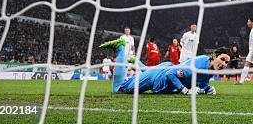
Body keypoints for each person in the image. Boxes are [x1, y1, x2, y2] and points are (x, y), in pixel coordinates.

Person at [99, 38, 230, 95]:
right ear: (214, 56)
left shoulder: (210, 68)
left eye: (226, 63)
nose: (224, 64)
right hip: (158, 77)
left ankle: (135, 61)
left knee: (148, 70)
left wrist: (207, 88)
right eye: (222, 59)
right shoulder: (198, 65)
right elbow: (170, 74)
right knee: (119, 89)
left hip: (164, 69)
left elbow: (202, 81)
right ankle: (121, 48)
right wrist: (184, 90)